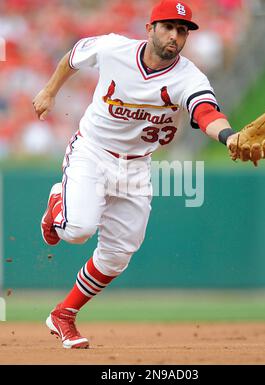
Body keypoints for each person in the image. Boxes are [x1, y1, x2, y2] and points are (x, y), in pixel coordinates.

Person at [33, 0, 239, 349]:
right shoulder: (114, 48)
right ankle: (57, 202)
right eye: (169, 27)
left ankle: (63, 315)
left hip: (137, 166)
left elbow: (205, 110)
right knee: (77, 230)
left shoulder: (189, 76)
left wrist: (228, 135)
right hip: (93, 151)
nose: (175, 36)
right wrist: (50, 90)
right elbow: (72, 57)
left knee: (118, 255)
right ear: (149, 29)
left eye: (183, 30)